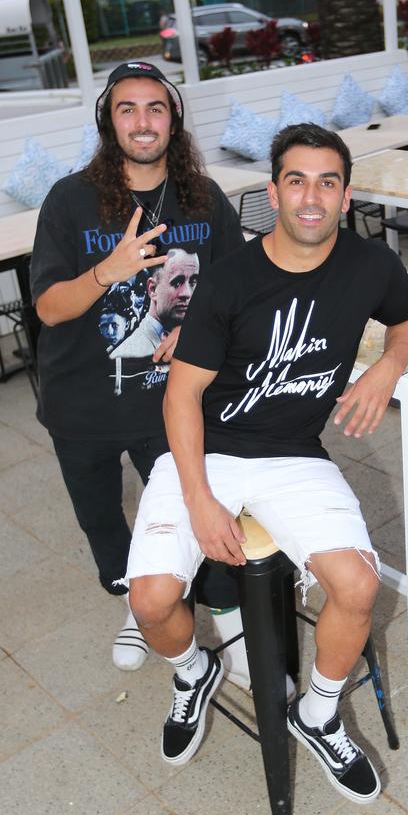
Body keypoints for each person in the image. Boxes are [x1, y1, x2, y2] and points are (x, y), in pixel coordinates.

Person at [121, 123, 408, 799]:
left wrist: (387, 368)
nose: (311, 196)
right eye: (296, 180)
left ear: (346, 196)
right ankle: (192, 670)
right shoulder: (232, 277)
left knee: (356, 584)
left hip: (293, 453)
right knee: (150, 600)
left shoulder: (370, 264)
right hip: (207, 447)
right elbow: (182, 394)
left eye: (327, 182)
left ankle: (317, 714)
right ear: (273, 192)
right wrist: (201, 498)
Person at [30, 61, 247, 675]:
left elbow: (237, 291)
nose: (142, 121)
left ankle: (223, 629)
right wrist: (109, 271)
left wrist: (192, 330)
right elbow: (47, 307)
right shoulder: (70, 200)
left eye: (155, 107)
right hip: (83, 406)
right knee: (104, 523)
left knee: (187, 516)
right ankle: (137, 605)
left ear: (173, 120)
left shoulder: (202, 198)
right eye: (128, 108)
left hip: (170, 404)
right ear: (109, 121)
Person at [110, 248, 199, 358]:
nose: (187, 293)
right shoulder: (124, 354)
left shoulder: (201, 338)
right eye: (176, 283)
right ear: (152, 289)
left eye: (193, 282)